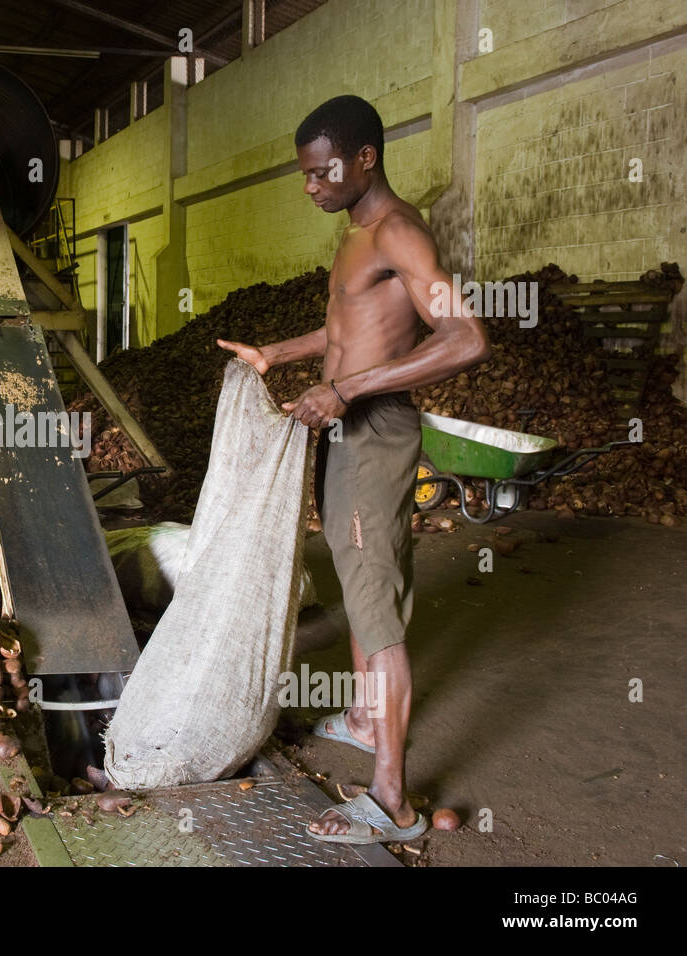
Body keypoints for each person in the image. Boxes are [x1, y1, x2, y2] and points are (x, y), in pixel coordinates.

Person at [217, 95, 490, 844]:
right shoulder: (355, 236)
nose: (309, 186)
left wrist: (344, 391)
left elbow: (466, 337)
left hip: (373, 432)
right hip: (346, 429)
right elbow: (347, 333)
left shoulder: (398, 232)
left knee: (374, 599)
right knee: (356, 571)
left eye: (321, 171)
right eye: (303, 175)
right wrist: (281, 355)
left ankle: (394, 801)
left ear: (365, 157)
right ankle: (368, 718)